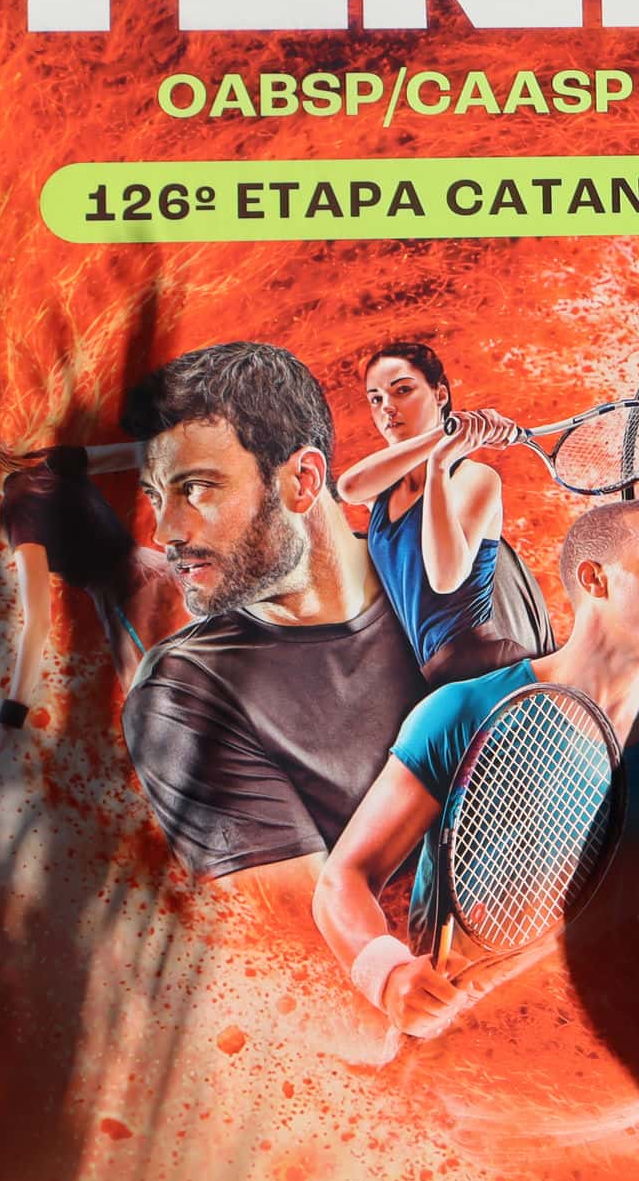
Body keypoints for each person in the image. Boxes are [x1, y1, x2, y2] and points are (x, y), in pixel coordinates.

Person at [313, 498, 639, 1038]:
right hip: (455, 1065)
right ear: (595, 579)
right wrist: (388, 975)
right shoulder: (465, 710)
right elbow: (344, 878)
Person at [118, 341, 430, 931]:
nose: (165, 532)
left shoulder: (465, 573)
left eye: (196, 488)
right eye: (156, 496)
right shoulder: (183, 697)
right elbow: (315, 947)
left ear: (302, 480)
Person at [0, 413, 185, 778]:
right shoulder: (51, 462)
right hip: (162, 577)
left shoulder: (18, 509)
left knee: (173, 735)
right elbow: (146, 453)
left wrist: (8, 720)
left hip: (132, 610)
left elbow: (37, 623)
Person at [332, 340, 553, 687]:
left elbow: (445, 577)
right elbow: (348, 487)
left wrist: (439, 464)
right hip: (438, 677)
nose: (387, 407)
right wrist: (444, 434)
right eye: (376, 398)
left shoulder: (475, 478)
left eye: (402, 390)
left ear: (440, 395)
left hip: (486, 667)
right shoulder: (381, 492)